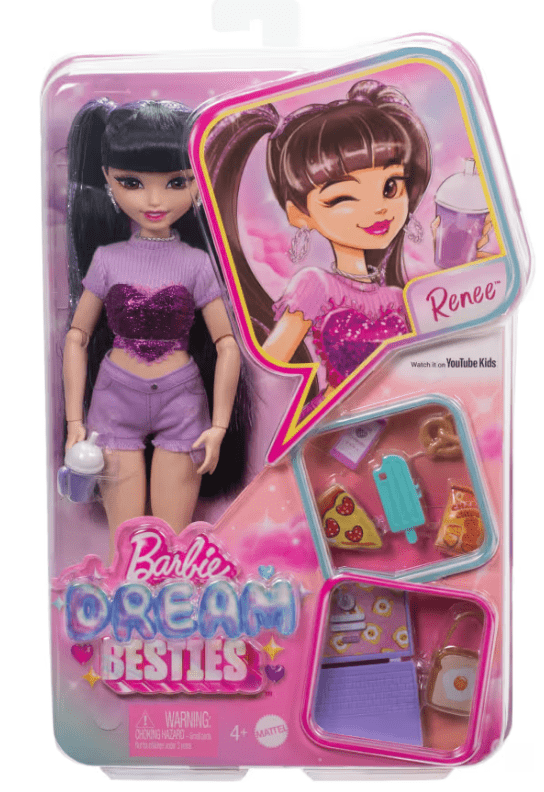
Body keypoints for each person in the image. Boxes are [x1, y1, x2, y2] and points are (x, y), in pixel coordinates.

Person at [64, 99, 243, 556]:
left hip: (182, 399)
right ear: (107, 178)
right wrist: (74, 422)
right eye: (132, 183)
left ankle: (172, 602)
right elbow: (77, 337)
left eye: (177, 182)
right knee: (125, 544)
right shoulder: (108, 260)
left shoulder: (197, 263)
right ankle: (125, 602)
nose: (155, 200)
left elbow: (227, 343)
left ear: (198, 184)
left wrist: (220, 425)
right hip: (114, 398)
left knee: (173, 543)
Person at [207, 80, 432, 408]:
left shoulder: (398, 298)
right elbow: (269, 369)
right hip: (334, 419)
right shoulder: (315, 286)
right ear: (300, 215)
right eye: (343, 197)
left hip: (396, 410)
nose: (378, 209)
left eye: (390, 187)